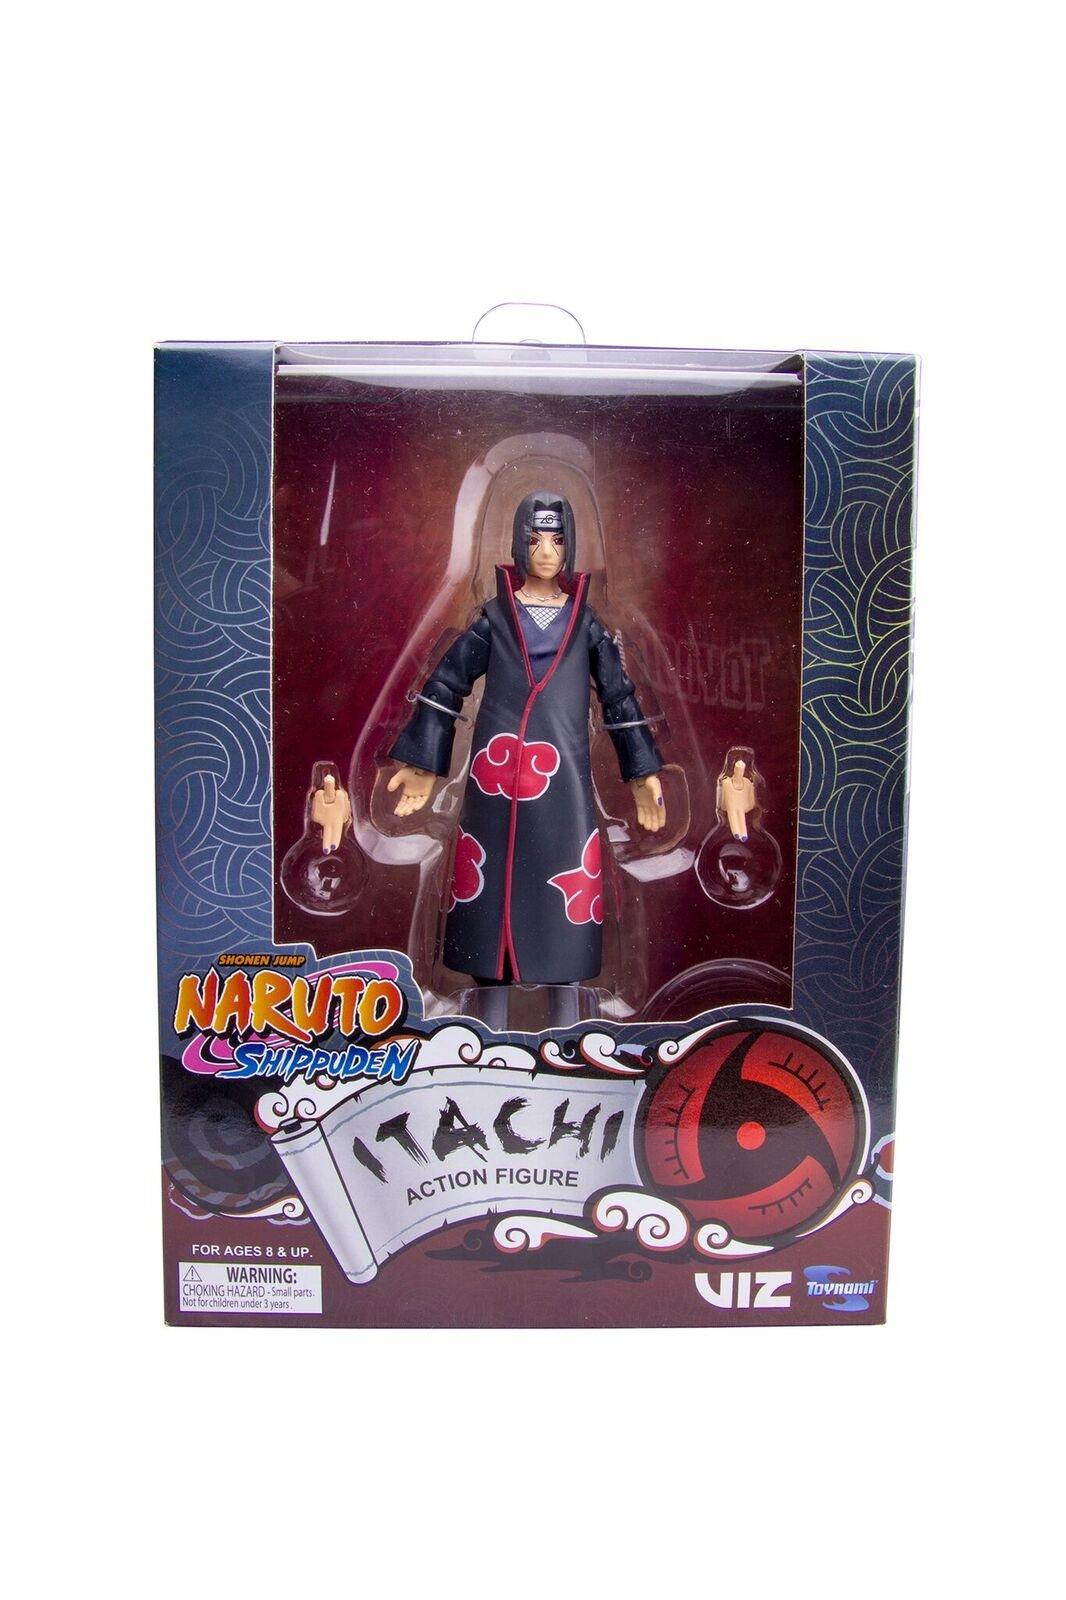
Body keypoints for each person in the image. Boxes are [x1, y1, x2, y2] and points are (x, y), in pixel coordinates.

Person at [388, 492, 666, 1026]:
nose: (545, 551)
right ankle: (484, 1035)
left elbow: (619, 696)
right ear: (518, 545)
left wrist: (641, 771)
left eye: (557, 541)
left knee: (565, 915)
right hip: (493, 786)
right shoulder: (495, 617)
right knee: (488, 916)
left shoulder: (585, 624)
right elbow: (446, 683)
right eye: (535, 540)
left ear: (570, 548)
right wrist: (424, 761)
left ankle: (568, 1036)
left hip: (563, 786)